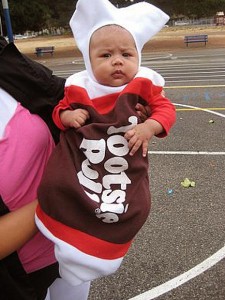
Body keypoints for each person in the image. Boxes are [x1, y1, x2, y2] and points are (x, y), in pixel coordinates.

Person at [35, 0, 176, 288]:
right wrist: (67, 115)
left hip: (121, 165)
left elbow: (166, 110)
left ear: (138, 56)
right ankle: (70, 249)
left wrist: (150, 125)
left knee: (135, 207)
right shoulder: (78, 87)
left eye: (126, 53)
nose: (117, 61)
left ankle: (99, 254)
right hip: (84, 161)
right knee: (58, 189)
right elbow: (58, 112)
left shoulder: (143, 84)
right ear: (89, 61)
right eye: (106, 55)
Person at [0, 36, 91, 299]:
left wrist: (122, 101)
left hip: (69, 243)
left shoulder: (4, 60)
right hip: (18, 280)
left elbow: (60, 94)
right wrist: (59, 195)